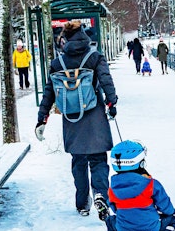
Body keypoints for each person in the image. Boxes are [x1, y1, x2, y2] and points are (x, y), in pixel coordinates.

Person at [36, 20, 118, 218]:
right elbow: (106, 80)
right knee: (98, 159)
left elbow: (49, 92)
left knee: (78, 160)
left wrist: (42, 118)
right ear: (84, 35)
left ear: (66, 38)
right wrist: (111, 102)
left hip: (71, 118)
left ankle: (82, 203)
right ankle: (100, 194)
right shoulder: (95, 57)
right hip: (94, 114)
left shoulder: (58, 63)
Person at [104, 140, 175, 231]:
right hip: (151, 227)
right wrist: (169, 212)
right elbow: (166, 207)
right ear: (141, 164)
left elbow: (114, 209)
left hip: (123, 229)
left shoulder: (113, 188)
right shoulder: (151, 184)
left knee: (110, 220)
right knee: (171, 220)